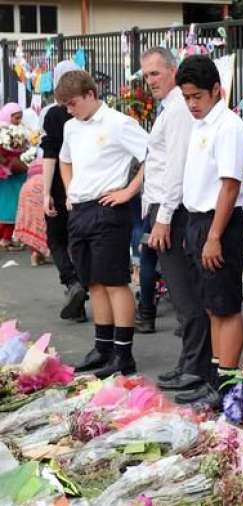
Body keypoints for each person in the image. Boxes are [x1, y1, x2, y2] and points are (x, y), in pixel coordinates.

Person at [56, 70, 149, 378]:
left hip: (108, 209)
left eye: (72, 103)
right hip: (80, 209)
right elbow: (64, 159)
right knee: (93, 282)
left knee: (114, 282)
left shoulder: (119, 123)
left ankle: (124, 354)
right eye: (66, 106)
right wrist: (69, 190)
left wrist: (128, 191)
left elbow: (153, 155)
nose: (70, 110)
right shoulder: (71, 127)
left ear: (90, 95)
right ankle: (103, 348)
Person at [172, 55, 243, 407]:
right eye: (186, 97)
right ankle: (216, 379)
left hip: (220, 222)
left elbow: (229, 185)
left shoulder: (228, 127)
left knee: (225, 307)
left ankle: (228, 385)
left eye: (197, 96)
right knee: (210, 307)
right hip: (197, 221)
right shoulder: (201, 125)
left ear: (217, 90)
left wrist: (214, 236)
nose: (191, 104)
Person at [139, 46, 212, 393]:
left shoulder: (180, 111)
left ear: (172, 71)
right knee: (180, 292)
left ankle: (197, 366)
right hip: (162, 208)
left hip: (174, 210)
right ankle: (189, 360)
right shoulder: (170, 109)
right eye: (146, 75)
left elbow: (176, 169)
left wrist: (163, 218)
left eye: (155, 73)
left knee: (185, 292)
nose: (149, 80)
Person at [41, 60, 88, 322]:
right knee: (79, 242)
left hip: (62, 184)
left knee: (57, 239)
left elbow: (50, 154)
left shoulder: (55, 114)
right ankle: (79, 287)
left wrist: (45, 191)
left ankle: (72, 284)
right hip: (88, 183)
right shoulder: (89, 109)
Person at [0, 103, 29, 251]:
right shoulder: (2, 130)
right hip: (7, 174)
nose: (18, 121)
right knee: (8, 206)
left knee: (15, 206)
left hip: (17, 172)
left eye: (20, 118)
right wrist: (6, 162)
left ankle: (8, 237)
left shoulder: (17, 130)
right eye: (16, 118)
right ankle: (5, 238)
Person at [14, 158, 50, 266]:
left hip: (27, 188)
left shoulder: (36, 161)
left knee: (31, 223)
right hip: (44, 187)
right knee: (45, 222)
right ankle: (40, 253)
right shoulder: (53, 159)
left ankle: (35, 254)